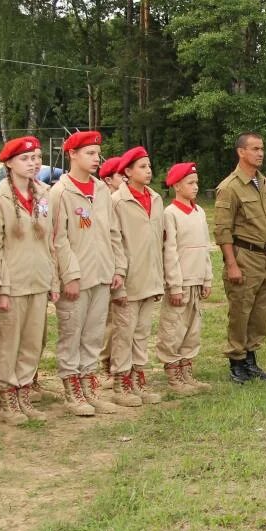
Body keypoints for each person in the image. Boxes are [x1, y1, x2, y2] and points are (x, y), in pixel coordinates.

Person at [50, 130, 127, 414]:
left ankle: (89, 386)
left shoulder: (102, 190)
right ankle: (72, 390)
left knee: (94, 334)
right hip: (77, 277)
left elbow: (113, 232)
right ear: (72, 154)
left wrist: (117, 267)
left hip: (102, 273)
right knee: (72, 333)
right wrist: (69, 274)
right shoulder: (60, 192)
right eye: (89, 153)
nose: (96, 159)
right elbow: (59, 239)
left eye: (97, 153)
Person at [0, 136, 59, 422]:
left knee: (31, 341)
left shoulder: (44, 194)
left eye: (36, 158)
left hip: (38, 277)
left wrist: (53, 281)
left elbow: (49, 241)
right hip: (12, 282)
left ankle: (24, 392)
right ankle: (8, 396)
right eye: (26, 159)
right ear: (9, 163)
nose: (33, 163)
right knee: (9, 341)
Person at [214, 133, 266, 382]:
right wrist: (232, 264)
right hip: (245, 256)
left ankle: (251, 359)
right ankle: (237, 361)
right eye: (254, 149)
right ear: (241, 152)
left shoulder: (263, 183)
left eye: (262, 148)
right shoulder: (230, 187)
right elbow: (222, 230)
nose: (260, 153)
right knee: (241, 311)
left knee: (261, 312)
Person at [108, 145, 165, 405]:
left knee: (142, 332)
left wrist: (160, 278)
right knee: (124, 331)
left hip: (150, 276)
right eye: (142, 167)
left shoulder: (155, 198)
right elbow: (114, 241)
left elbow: (159, 241)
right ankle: (122, 382)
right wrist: (118, 278)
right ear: (127, 172)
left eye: (149, 166)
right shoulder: (117, 201)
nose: (148, 171)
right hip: (129, 278)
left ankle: (139, 377)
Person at [158, 163, 212, 393]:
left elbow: (205, 247)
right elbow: (169, 252)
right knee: (174, 327)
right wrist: (175, 284)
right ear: (177, 186)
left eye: (196, 182)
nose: (195, 187)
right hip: (181, 282)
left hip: (197, 279)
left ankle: (187, 369)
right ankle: (173, 372)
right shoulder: (170, 214)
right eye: (190, 183)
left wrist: (207, 278)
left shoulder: (200, 212)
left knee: (192, 328)